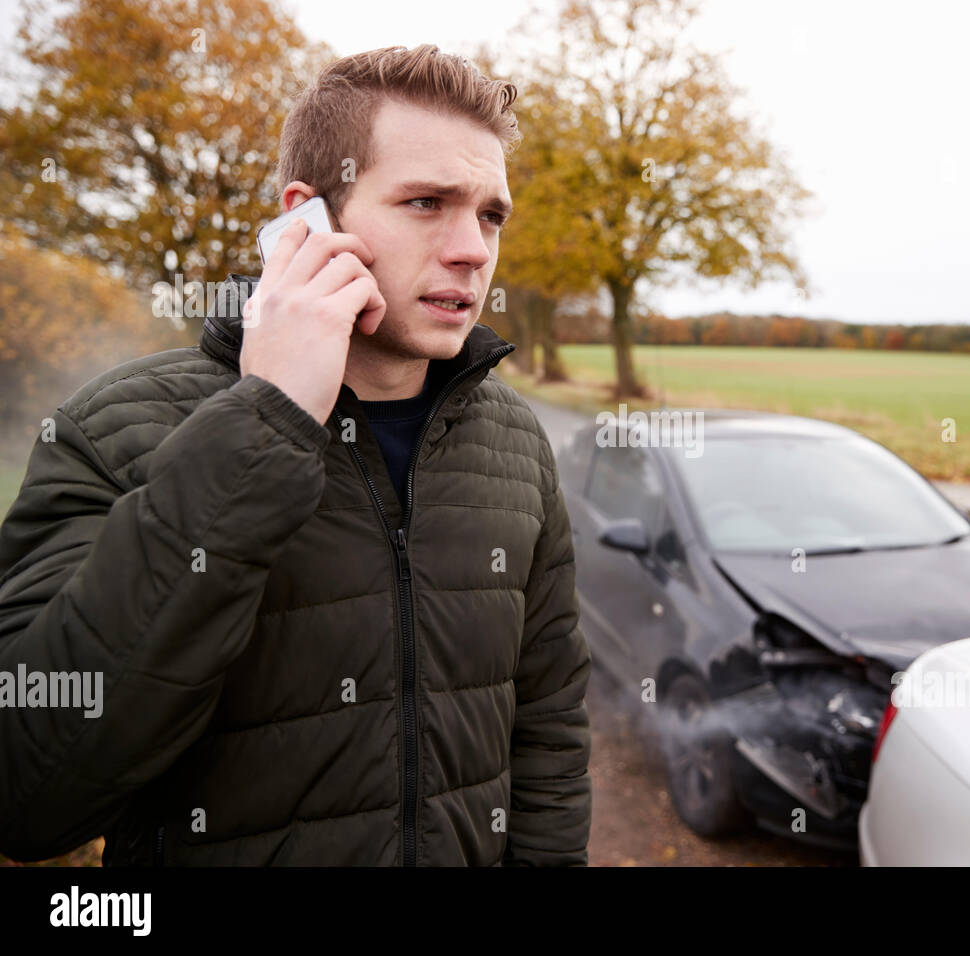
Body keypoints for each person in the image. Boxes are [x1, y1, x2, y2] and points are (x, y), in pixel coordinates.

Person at [0, 44, 592, 866]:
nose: (473, 249)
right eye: (426, 202)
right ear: (306, 218)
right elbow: (30, 793)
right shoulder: (112, 429)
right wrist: (265, 422)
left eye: (491, 214)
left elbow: (551, 730)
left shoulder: (516, 442)